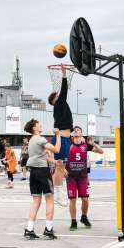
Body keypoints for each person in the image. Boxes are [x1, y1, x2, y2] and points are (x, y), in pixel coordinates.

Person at [23, 119, 61, 240]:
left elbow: (43, 156)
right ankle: (48, 229)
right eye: (39, 124)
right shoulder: (40, 139)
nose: (41, 125)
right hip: (42, 172)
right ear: (35, 128)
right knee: (50, 199)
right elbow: (56, 149)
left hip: (33, 172)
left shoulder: (32, 141)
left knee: (36, 201)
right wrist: (58, 135)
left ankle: (29, 229)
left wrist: (54, 161)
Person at [66, 126, 103, 231]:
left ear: (81, 134)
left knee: (85, 199)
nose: (76, 131)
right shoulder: (69, 145)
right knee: (72, 200)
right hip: (71, 177)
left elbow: (101, 151)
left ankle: (84, 216)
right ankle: (73, 221)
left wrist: (93, 143)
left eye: (79, 130)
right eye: (75, 130)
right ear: (72, 134)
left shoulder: (86, 145)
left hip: (83, 177)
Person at [48, 65, 73, 206]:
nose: (60, 96)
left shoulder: (60, 107)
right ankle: (58, 194)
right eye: (57, 96)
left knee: (61, 167)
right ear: (54, 101)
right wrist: (64, 74)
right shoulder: (59, 104)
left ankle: (55, 191)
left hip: (65, 138)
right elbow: (64, 91)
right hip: (61, 139)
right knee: (59, 167)